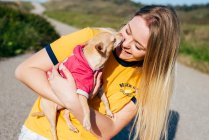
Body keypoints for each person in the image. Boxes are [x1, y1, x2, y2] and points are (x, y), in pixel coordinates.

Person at [15, 5, 180, 140]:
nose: (124, 43)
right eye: (127, 30)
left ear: (154, 55)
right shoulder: (91, 38)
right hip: (44, 133)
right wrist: (69, 97)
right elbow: (25, 71)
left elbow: (109, 130)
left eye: (138, 46)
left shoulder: (147, 82)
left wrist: (73, 100)